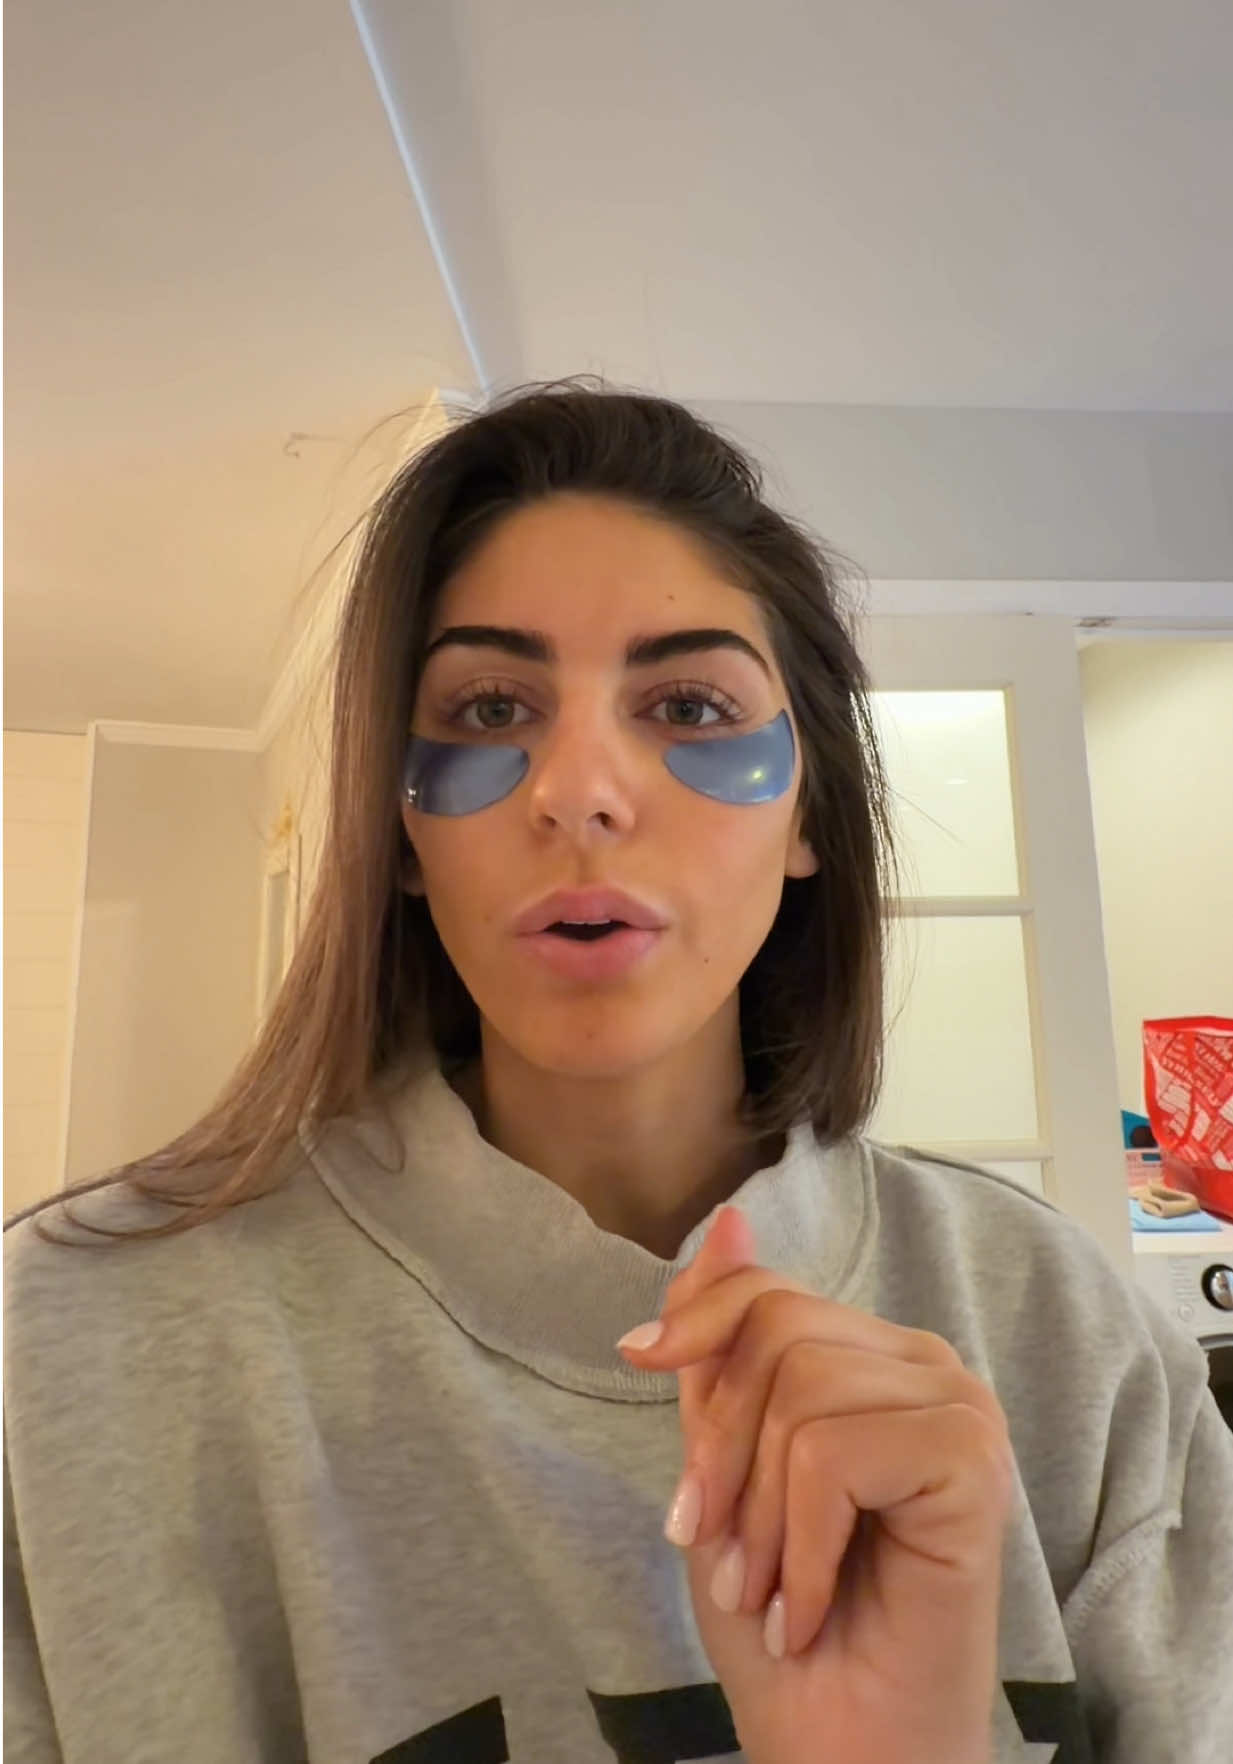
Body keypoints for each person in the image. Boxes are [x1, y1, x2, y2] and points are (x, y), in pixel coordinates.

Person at [4, 381, 1230, 1764]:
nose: (578, 789)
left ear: (809, 815)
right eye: (487, 707)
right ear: (401, 834)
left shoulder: (1072, 1342)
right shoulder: (70, 1349)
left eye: (691, 703)